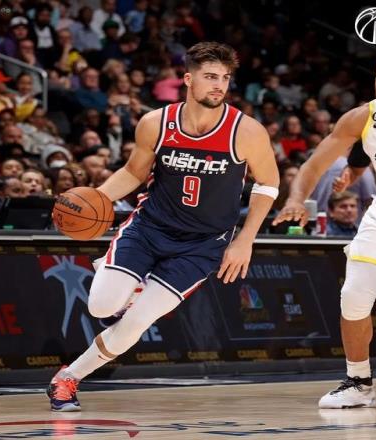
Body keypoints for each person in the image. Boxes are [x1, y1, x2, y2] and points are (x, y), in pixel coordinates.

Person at [46, 42, 279, 411]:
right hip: (149, 229)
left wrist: (244, 240)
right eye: (210, 77)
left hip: (203, 244)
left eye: (224, 78)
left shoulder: (246, 131)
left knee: (136, 323)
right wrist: (93, 201)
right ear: (187, 79)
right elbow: (133, 173)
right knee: (101, 306)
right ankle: (131, 285)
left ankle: (68, 378)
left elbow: (268, 184)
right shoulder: (156, 123)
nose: (219, 85)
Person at [273, 53, 376, 409]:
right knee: (353, 297)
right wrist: (295, 199)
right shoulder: (363, 117)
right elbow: (315, 164)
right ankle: (359, 383)